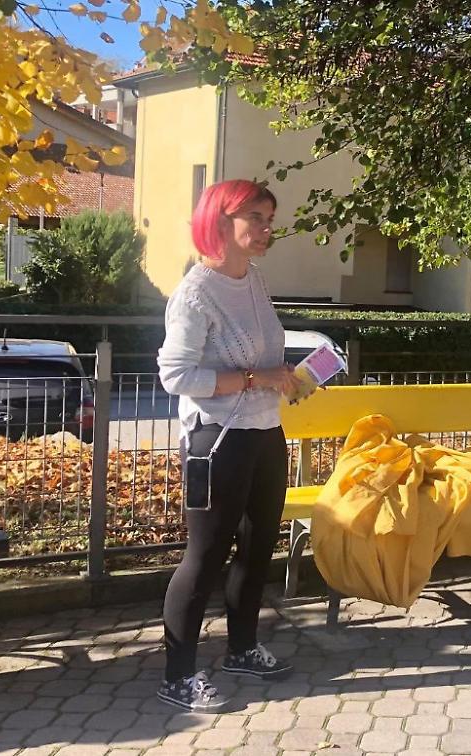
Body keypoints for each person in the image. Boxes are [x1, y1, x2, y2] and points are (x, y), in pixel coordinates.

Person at [156, 179, 301, 711]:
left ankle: (242, 649)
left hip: (264, 432)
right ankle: (177, 676)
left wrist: (287, 377)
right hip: (215, 441)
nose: (266, 229)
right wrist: (255, 379)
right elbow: (175, 375)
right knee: (206, 555)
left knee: (259, 546)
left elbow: (260, 358)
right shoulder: (196, 293)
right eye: (255, 219)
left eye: (269, 220)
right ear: (221, 221)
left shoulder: (254, 279)